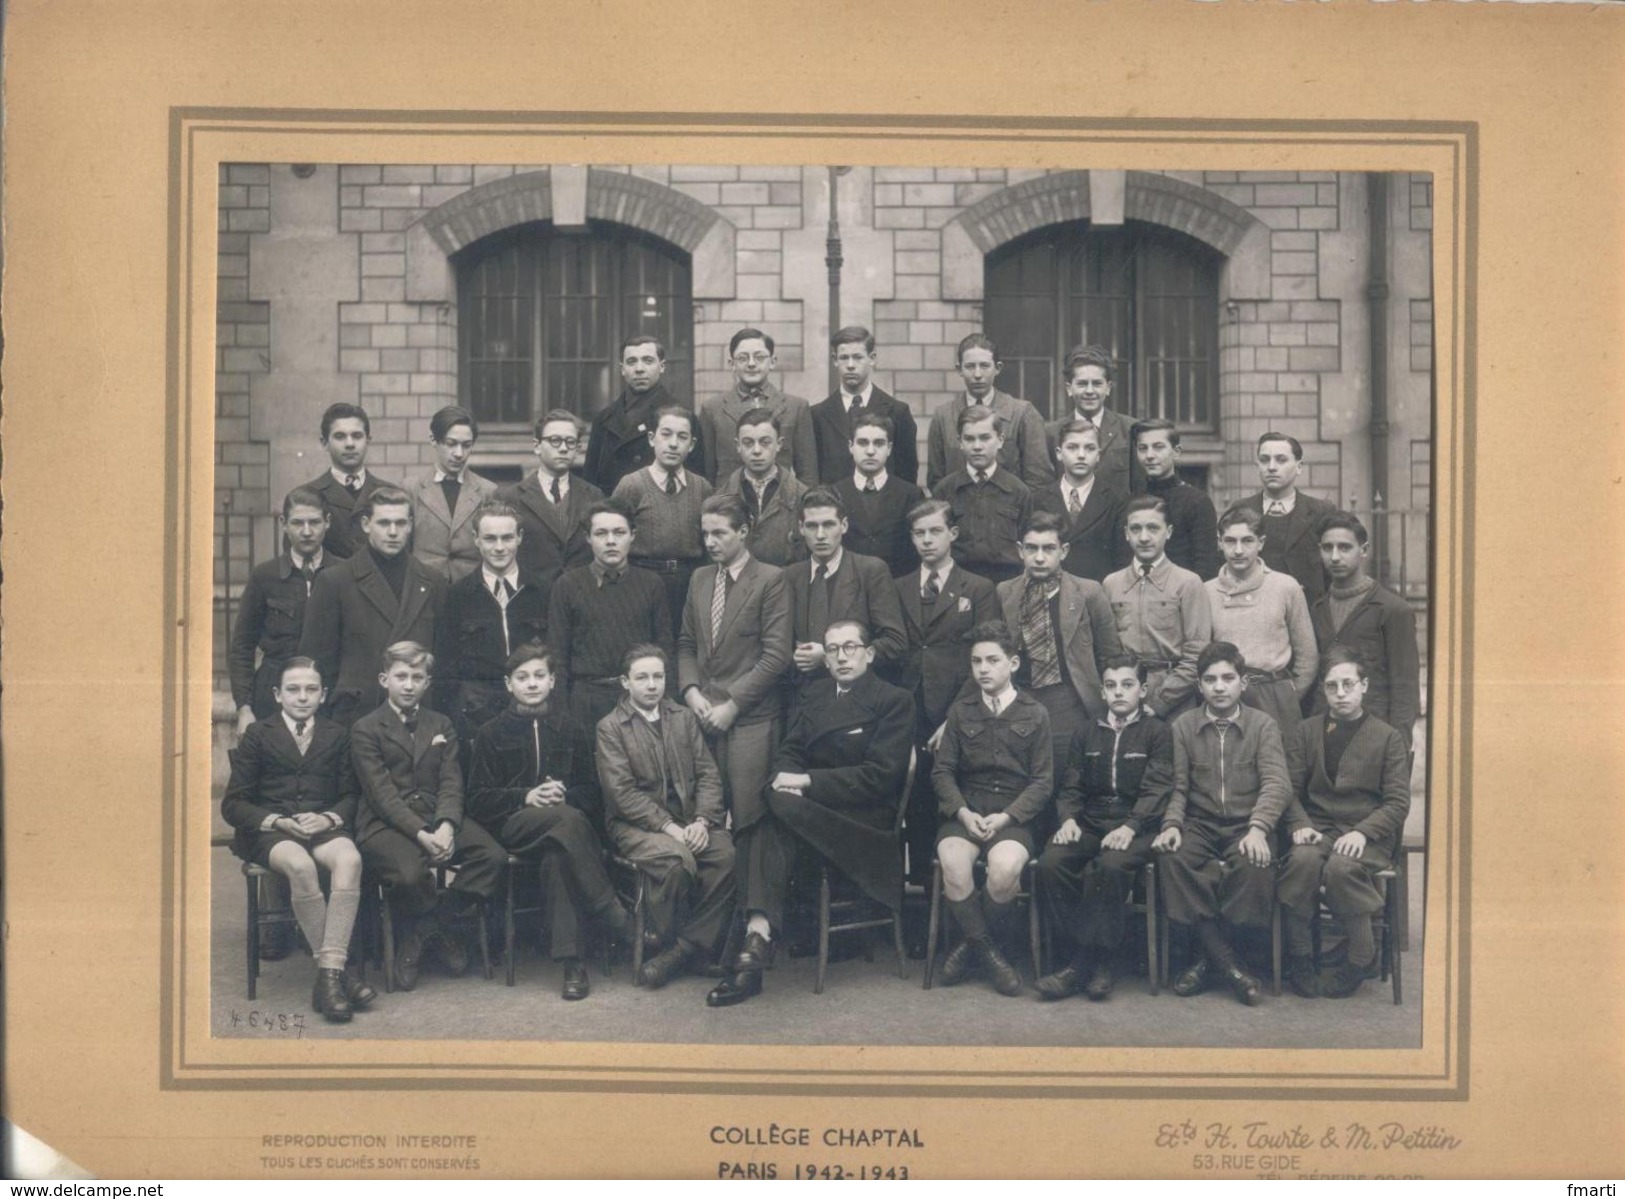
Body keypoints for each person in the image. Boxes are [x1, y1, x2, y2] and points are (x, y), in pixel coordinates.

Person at [705, 620, 915, 1007]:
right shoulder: (815, 696)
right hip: (806, 819)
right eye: (833, 649)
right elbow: (790, 750)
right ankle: (757, 939)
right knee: (769, 819)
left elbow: (880, 779)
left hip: (861, 827)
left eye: (851, 647)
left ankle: (748, 952)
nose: (841, 656)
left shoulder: (893, 701)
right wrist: (787, 777)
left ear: (869, 654)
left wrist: (803, 782)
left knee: (767, 809)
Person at [464, 643, 635, 1001]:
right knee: (568, 824)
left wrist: (563, 797)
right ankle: (614, 913)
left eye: (539, 676)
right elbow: (477, 800)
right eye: (522, 678)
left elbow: (592, 792)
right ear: (508, 684)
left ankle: (572, 963)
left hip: (564, 833)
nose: (531, 684)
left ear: (553, 681)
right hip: (514, 829)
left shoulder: (571, 729)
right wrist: (526, 796)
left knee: (559, 852)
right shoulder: (491, 734)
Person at [220, 657, 376, 1022]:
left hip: (323, 825)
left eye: (311, 690)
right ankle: (340, 976)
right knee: (301, 865)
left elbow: (351, 795)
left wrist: (326, 817)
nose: (302, 697)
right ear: (278, 695)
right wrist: (276, 820)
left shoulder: (337, 734)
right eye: (293, 689)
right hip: (273, 831)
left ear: (323, 695)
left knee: (350, 859)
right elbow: (234, 803)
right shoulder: (259, 735)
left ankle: (327, 978)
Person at [352, 642, 505, 991]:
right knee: (408, 874)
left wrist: (448, 826)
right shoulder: (366, 728)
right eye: (400, 676)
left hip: (439, 816)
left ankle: (424, 930)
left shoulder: (442, 724)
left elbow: (452, 781)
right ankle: (434, 933)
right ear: (383, 679)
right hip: (385, 823)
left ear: (427, 683)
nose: (408, 684)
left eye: (416, 677)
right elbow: (382, 796)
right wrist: (424, 835)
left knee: (492, 857)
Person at [1152, 641, 1292, 1006]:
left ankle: (1206, 958)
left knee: (1255, 865)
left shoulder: (1263, 725)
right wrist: (1171, 825)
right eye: (1210, 679)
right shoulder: (1182, 726)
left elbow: (1277, 783)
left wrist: (1259, 829)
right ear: (1198, 686)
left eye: (1228, 678)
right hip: (1199, 823)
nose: (1219, 686)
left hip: (1247, 823)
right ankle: (1230, 965)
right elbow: (1178, 788)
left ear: (1243, 683)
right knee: (1171, 858)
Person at [595, 645, 737, 990]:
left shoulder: (683, 718)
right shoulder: (611, 727)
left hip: (690, 820)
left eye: (658, 676)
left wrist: (703, 821)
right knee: (677, 860)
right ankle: (676, 945)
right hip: (635, 826)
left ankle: (680, 951)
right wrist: (671, 828)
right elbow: (622, 794)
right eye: (641, 677)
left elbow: (707, 774)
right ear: (624, 682)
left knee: (727, 856)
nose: (651, 685)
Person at [1033, 656, 1173, 1002]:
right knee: (1051, 863)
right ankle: (1081, 956)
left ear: (1143, 690)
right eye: (1111, 686)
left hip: (1139, 825)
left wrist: (1132, 825)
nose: (1118, 693)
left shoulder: (1158, 732)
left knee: (1108, 866)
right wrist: (1067, 820)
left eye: (1127, 685)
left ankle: (1094, 965)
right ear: (1102, 691)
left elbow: (1158, 789)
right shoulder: (1086, 730)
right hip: (1092, 821)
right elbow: (1070, 786)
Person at [1278, 648, 1412, 999]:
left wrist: (1362, 832)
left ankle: (1360, 957)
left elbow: (1397, 802)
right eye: (1332, 686)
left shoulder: (1387, 737)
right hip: (1318, 827)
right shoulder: (1306, 732)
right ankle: (1302, 957)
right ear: (1322, 690)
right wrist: (1300, 825)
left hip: (1367, 833)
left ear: (1363, 686)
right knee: (1301, 861)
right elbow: (1288, 791)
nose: (1340, 693)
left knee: (1341, 868)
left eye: (1348, 684)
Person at [931, 621, 1055, 997]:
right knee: (953, 863)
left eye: (992, 660)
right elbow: (943, 771)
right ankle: (988, 952)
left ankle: (969, 947)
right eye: (976, 661)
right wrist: (962, 813)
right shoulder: (961, 711)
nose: (983, 669)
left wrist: (1007, 818)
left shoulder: (1036, 713)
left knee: (1003, 871)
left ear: (1013, 663)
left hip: (1013, 816)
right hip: (966, 812)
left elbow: (1042, 781)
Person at [887, 499, 999, 893]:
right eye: (919, 533)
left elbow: (985, 655)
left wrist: (955, 716)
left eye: (935, 531)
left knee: (955, 805)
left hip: (960, 711)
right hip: (908, 711)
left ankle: (959, 905)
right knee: (916, 803)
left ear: (952, 533)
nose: (927, 540)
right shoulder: (897, 587)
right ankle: (921, 906)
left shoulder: (979, 589)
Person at [676, 494, 792, 837]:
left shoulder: (771, 579)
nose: (710, 542)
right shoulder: (699, 578)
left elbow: (776, 657)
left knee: (749, 819)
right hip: (702, 717)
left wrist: (733, 705)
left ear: (743, 531)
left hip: (750, 720)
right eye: (705, 534)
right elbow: (686, 642)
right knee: (703, 815)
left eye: (720, 533)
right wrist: (691, 691)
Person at [299, 486, 448, 727]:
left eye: (400, 523)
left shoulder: (432, 582)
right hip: (357, 718)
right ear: (367, 524)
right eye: (384, 523)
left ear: (410, 525)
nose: (393, 532)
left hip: (417, 719)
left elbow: (443, 663)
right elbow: (316, 664)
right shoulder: (336, 581)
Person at [995, 512, 1123, 779]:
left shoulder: (1088, 592)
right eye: (1031, 548)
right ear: (1020, 551)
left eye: (1048, 548)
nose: (1039, 557)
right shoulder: (1005, 592)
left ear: (1063, 551)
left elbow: (1110, 655)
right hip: (1023, 699)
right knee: (1025, 775)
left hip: (1071, 700)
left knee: (1068, 776)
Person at [546, 499, 674, 736]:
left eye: (619, 532)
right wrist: (561, 712)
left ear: (633, 535)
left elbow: (664, 647)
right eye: (601, 533)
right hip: (586, 702)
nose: (611, 541)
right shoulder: (567, 585)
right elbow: (558, 655)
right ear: (588, 538)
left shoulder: (651, 584)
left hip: (639, 699)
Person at [433, 500, 551, 741]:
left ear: (519, 537)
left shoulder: (542, 591)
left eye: (507, 538)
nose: (499, 547)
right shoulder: (458, 595)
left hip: (533, 710)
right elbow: (446, 666)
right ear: (476, 539)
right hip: (476, 713)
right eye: (490, 539)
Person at [783, 488, 909, 707]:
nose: (820, 535)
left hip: (858, 700)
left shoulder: (870, 571)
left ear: (844, 525)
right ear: (801, 528)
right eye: (812, 526)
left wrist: (828, 655)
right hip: (803, 701)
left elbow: (895, 643)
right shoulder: (790, 576)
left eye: (829, 524)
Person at [230, 486, 336, 735]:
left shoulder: (343, 574)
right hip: (271, 698)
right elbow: (242, 648)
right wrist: (244, 709)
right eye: (298, 523)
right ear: (283, 523)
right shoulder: (264, 576)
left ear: (327, 523)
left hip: (326, 699)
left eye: (314, 522)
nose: (307, 531)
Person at [1205, 505, 1319, 736]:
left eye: (1247, 541)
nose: (1238, 550)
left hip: (1275, 695)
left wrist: (1287, 695)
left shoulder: (1285, 587)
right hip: (1224, 697)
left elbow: (1308, 656)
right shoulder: (1206, 591)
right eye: (1230, 541)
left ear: (1261, 542)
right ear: (1219, 542)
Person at [1310, 510, 1421, 741]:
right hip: (1326, 734)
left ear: (1364, 550)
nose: (1335, 556)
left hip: (1373, 733)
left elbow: (1405, 688)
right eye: (1327, 548)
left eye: (1344, 547)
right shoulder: (1317, 609)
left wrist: (1397, 748)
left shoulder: (1392, 609)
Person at [1101, 496, 1212, 720]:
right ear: (1126, 533)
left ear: (1168, 532)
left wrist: (1160, 702)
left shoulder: (1188, 583)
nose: (1144, 537)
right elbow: (1107, 650)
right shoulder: (1111, 584)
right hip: (1124, 696)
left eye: (1153, 528)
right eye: (1136, 529)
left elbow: (1197, 654)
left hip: (1175, 700)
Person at [613, 404, 714, 630]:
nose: (673, 443)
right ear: (651, 438)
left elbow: (709, 544)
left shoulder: (702, 488)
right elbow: (615, 537)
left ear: (692, 445)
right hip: (641, 580)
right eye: (666, 434)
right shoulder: (632, 485)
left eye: (682, 437)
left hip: (689, 583)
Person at [926, 333, 1051, 490]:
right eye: (970, 366)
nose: (977, 374)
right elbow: (936, 481)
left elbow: (1039, 479)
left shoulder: (1022, 413)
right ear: (959, 369)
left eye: (984, 366)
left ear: (997, 368)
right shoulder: (943, 416)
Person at [698, 327, 817, 485]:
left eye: (759, 357)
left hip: (781, 503)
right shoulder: (712, 409)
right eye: (743, 358)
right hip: (729, 504)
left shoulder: (796, 407)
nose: (752, 364)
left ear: (772, 362)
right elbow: (707, 473)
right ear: (731, 363)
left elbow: (808, 473)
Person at [585, 334, 703, 492]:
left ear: (661, 366)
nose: (639, 369)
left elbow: (695, 480)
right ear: (622, 369)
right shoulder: (604, 419)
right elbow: (590, 484)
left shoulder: (683, 417)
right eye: (631, 362)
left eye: (648, 361)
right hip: (612, 511)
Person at [932, 405, 1034, 585]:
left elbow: (1027, 545)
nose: (977, 446)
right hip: (958, 584)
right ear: (960, 442)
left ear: (1000, 440)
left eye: (985, 438)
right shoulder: (945, 490)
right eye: (969, 439)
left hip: (1005, 583)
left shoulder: (1019, 491)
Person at [505, 410, 605, 589]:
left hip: (582, 597)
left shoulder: (594, 496)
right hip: (532, 601)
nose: (564, 448)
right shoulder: (511, 498)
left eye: (570, 442)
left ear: (578, 449)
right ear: (537, 446)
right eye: (555, 440)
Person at [811, 325, 919, 486]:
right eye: (844, 358)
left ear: (872, 358)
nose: (850, 365)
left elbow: (907, 475)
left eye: (858, 357)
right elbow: (814, 473)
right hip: (835, 506)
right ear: (834, 360)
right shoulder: (817, 415)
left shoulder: (897, 412)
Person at [1238, 431, 1335, 608]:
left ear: (1299, 467)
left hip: (1308, 612)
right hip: (1254, 611)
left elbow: (1332, 571)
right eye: (1265, 460)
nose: (1271, 467)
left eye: (1281, 460)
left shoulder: (1321, 512)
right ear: (1257, 465)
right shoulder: (1240, 511)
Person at [407, 405, 499, 583]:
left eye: (466, 445)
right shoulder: (412, 488)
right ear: (433, 440)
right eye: (451, 444)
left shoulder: (487, 490)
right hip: (424, 588)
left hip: (471, 590)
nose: (459, 454)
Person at [1033, 418, 1130, 582]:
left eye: (1090, 448)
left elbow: (1122, 558)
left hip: (1098, 591)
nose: (1081, 455)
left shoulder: (1117, 500)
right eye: (1072, 447)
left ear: (1099, 455)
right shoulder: (1039, 499)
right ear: (1058, 453)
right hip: (1051, 589)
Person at [832, 412, 925, 575]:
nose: (870, 451)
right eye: (862, 443)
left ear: (889, 448)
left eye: (879, 443)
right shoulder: (835, 493)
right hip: (847, 588)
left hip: (896, 588)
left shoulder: (911, 495)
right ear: (850, 447)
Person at [715, 406, 808, 568]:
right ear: (737, 446)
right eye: (748, 443)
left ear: (779, 444)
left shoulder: (802, 496)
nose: (757, 451)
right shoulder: (720, 498)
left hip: (786, 586)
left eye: (765, 442)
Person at [302, 402, 398, 560]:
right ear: (324, 443)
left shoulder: (390, 494)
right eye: (340, 436)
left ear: (368, 440)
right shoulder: (308, 496)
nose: (350, 444)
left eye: (357, 436)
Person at [1045, 345, 1140, 496]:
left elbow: (1139, 488)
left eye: (1097, 384)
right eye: (1082, 384)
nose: (1090, 391)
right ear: (1069, 388)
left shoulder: (1130, 428)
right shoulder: (1051, 433)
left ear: (1108, 388)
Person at [1131, 418, 1220, 580]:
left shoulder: (1197, 502)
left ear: (1176, 452)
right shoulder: (1131, 500)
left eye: (1158, 447)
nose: (1149, 455)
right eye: (1143, 448)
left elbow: (1206, 569)